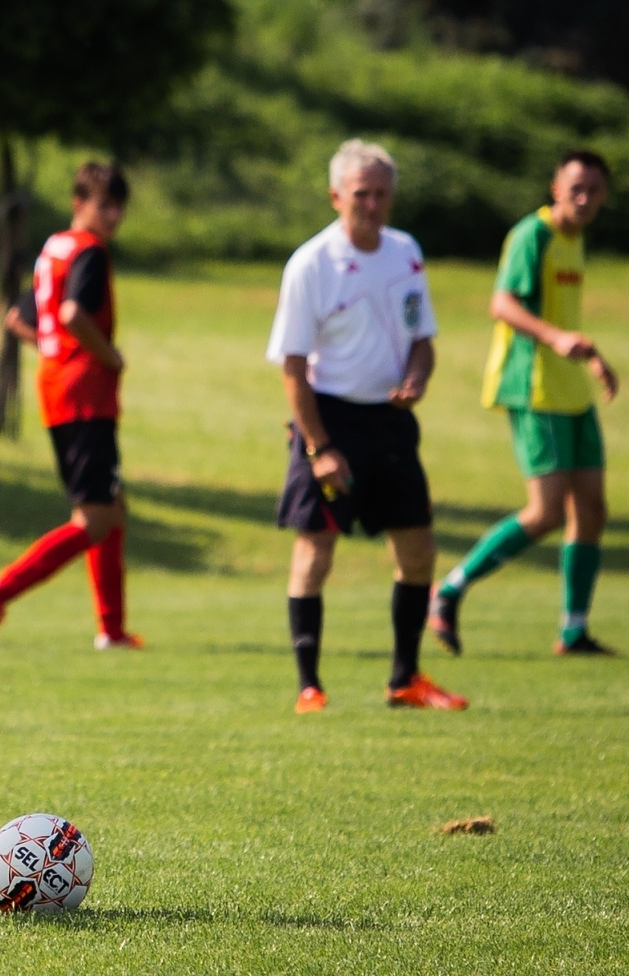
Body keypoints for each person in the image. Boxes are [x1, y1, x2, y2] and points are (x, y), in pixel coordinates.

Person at [268, 139, 466, 715]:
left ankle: (405, 679)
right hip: (329, 417)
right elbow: (293, 367)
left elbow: (423, 340)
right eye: (361, 194)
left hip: (391, 420)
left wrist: (418, 378)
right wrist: (319, 445)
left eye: (382, 193)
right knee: (316, 550)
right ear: (336, 196)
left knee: (418, 549)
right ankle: (310, 685)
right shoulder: (310, 264)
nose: (373, 204)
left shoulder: (405, 252)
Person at [431, 152, 619, 656]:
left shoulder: (575, 241)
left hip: (570, 390)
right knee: (546, 512)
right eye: (575, 187)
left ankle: (573, 629)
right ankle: (448, 589)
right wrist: (556, 339)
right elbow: (503, 304)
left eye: (594, 190)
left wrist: (592, 357)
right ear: (555, 186)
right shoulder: (530, 236)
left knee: (593, 509)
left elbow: (562, 316)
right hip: (532, 386)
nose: (583, 199)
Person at [0, 162, 141, 651]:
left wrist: (55, 350)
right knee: (94, 518)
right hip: (86, 395)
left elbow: (18, 319)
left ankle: (112, 629)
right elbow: (71, 314)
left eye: (117, 208)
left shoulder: (54, 249)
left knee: (113, 508)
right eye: (103, 205)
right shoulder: (88, 252)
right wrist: (109, 356)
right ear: (79, 202)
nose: (111, 217)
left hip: (58, 390)